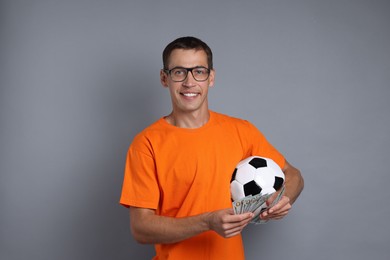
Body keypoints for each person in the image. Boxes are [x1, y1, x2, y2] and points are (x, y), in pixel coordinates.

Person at [120, 36, 304, 260]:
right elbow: (141, 228)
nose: (189, 82)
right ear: (164, 78)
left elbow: (293, 175)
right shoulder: (146, 143)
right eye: (179, 72)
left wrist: (283, 199)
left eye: (199, 71)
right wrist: (207, 222)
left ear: (211, 77)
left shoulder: (241, 131)